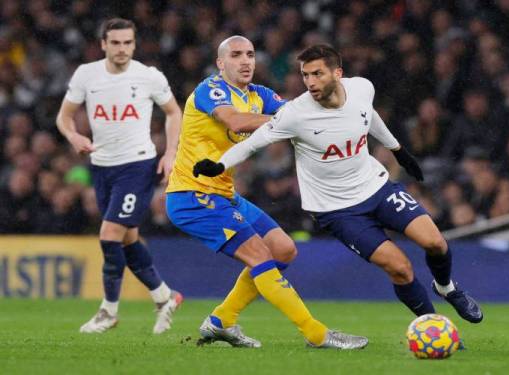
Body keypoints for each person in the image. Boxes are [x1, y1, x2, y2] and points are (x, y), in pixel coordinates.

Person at [194, 44, 483, 325]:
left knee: (435, 242)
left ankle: (446, 287)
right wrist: (221, 164)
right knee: (401, 268)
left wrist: (397, 150)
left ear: (337, 73)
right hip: (337, 210)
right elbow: (253, 143)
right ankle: (431, 325)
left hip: (376, 187)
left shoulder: (362, 88)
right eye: (305, 75)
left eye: (317, 74)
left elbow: (368, 115)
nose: (310, 82)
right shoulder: (295, 113)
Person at [165, 36, 367, 349]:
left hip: (225, 195)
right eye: (235, 55)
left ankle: (221, 321)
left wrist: (338, 110)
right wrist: (288, 121)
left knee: (283, 250)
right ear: (221, 63)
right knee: (259, 254)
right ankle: (316, 334)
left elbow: (300, 109)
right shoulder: (211, 90)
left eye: (250, 54)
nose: (245, 61)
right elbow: (235, 120)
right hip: (193, 196)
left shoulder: (259, 94)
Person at [56, 18, 183, 334]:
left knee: (109, 234)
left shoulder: (148, 76)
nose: (122, 48)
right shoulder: (87, 75)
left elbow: (173, 112)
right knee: (127, 239)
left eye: (128, 42)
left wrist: (169, 154)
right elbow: (64, 117)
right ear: (103, 44)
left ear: (134, 44)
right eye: (115, 42)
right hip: (102, 167)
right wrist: (74, 137)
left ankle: (108, 311)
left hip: (138, 165)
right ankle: (164, 297)